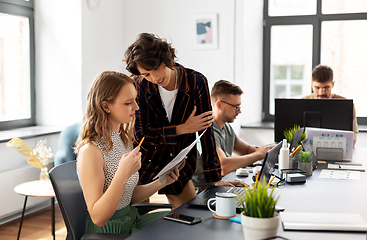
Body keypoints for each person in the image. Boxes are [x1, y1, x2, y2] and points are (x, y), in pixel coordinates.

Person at [124, 33, 240, 209]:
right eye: (146, 74)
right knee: (138, 223)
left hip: (178, 167)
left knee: (190, 217)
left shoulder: (196, 81)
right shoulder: (139, 85)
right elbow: (143, 134)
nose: (153, 78)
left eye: (154, 69)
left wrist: (214, 178)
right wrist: (182, 129)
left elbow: (206, 131)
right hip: (144, 163)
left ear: (164, 59)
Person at [75, 71, 184, 234]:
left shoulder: (124, 140)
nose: (136, 107)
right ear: (106, 106)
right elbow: (98, 217)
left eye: (135, 100)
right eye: (128, 103)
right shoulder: (91, 151)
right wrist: (122, 174)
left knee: (181, 221)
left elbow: (126, 197)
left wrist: (162, 181)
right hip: (110, 231)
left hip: (132, 220)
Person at [194, 80, 273, 183]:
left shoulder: (226, 127)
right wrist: (259, 155)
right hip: (204, 192)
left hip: (221, 184)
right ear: (219, 105)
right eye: (236, 106)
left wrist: (268, 150)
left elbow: (247, 150)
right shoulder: (207, 129)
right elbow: (224, 165)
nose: (239, 111)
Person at [302, 64, 358, 147]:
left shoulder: (346, 105)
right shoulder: (303, 103)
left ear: (333, 84)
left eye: (326, 87)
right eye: (317, 88)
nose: (321, 93)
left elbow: (352, 141)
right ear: (312, 85)